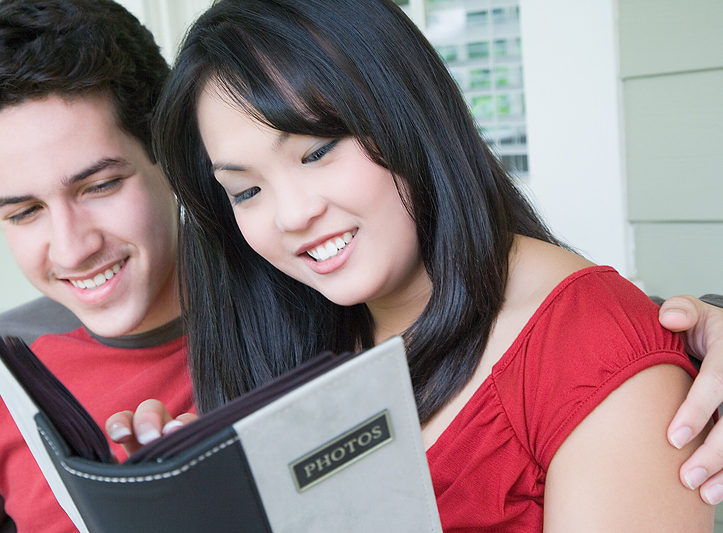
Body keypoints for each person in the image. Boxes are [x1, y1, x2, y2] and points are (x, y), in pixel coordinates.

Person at [112, 0, 720, 529]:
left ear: (407, 114)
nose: (291, 215)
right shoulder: (304, 333)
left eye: (317, 151)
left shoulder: (595, 353)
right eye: (245, 192)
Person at [0, 1, 195, 531]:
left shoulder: (303, 311)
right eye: (25, 212)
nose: (72, 250)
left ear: (169, 154)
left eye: (99, 186)